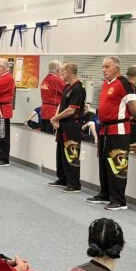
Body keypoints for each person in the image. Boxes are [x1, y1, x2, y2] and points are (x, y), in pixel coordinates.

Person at [88, 57, 136, 211]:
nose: (103, 70)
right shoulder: (106, 83)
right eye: (103, 67)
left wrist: (126, 116)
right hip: (104, 129)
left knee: (117, 164)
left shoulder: (124, 83)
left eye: (107, 67)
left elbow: (135, 108)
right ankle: (105, 193)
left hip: (119, 129)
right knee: (104, 162)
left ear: (116, 67)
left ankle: (119, 200)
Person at [48, 63, 86, 192]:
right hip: (63, 124)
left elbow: (71, 110)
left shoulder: (78, 88)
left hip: (72, 125)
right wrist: (56, 117)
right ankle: (63, 178)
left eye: (63, 72)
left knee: (71, 153)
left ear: (69, 71)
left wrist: (55, 118)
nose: (60, 74)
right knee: (61, 154)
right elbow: (61, 104)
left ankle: (74, 184)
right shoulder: (67, 87)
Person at [39, 61, 65, 134]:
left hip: (44, 112)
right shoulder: (56, 80)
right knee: (51, 137)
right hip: (53, 112)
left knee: (45, 135)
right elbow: (69, 91)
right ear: (58, 70)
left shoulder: (45, 79)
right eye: (61, 70)